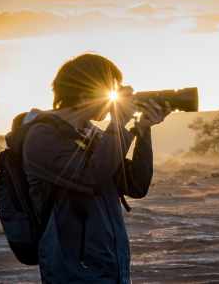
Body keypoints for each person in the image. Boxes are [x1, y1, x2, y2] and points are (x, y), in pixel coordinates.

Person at [21, 53, 170, 283]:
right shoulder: (42, 137)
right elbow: (91, 176)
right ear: (84, 92)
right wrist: (118, 122)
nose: (119, 97)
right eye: (113, 89)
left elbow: (136, 185)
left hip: (111, 269)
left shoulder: (92, 134)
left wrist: (143, 130)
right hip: (73, 273)